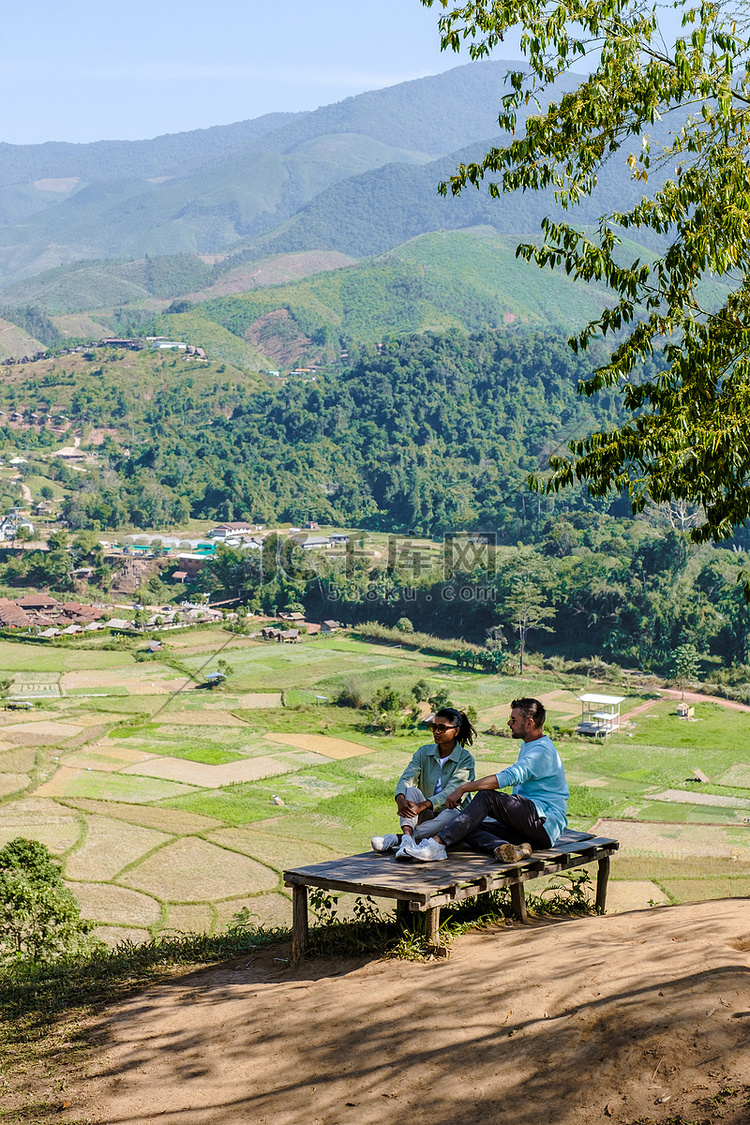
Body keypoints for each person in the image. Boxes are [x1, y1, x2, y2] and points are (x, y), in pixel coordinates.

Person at [397, 697, 568, 863]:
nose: (509, 723)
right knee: (466, 823)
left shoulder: (541, 750)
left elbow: (510, 776)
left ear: (529, 723)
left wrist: (464, 788)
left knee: (486, 797)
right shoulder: (529, 744)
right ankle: (509, 849)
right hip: (528, 829)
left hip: (544, 822)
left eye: (513, 720)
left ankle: (435, 845)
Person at [370, 708, 476, 858]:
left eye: (442, 728)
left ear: (456, 731)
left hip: (450, 816)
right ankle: (407, 839)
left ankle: (398, 839)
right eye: (434, 727)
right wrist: (400, 798)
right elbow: (408, 776)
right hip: (426, 815)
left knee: (453, 813)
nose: (436, 732)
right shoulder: (423, 752)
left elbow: (452, 792)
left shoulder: (465, 759)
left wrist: (423, 805)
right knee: (410, 791)